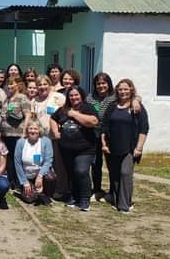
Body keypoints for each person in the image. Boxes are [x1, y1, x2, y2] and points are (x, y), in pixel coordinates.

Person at [101, 79, 149, 214]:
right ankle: (118, 201)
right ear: (117, 90)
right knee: (115, 175)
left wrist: (139, 147)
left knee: (125, 173)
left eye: (126, 89)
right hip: (112, 147)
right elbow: (104, 126)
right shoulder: (112, 106)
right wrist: (104, 144)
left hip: (130, 147)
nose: (123, 92)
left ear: (131, 90)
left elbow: (143, 129)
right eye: (120, 89)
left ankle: (124, 205)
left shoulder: (137, 106)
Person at [50, 86, 99, 211]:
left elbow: (93, 121)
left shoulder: (87, 108)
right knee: (71, 172)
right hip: (67, 148)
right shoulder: (63, 109)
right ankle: (73, 196)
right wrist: (56, 132)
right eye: (71, 95)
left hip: (85, 148)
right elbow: (53, 119)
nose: (74, 97)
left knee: (81, 171)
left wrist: (74, 114)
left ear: (81, 95)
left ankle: (85, 198)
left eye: (76, 95)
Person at [85, 72, 116, 200]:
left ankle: (113, 192)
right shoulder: (90, 98)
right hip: (93, 134)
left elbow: (133, 97)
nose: (101, 86)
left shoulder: (114, 97)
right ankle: (96, 189)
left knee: (112, 164)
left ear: (108, 84)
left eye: (104, 83)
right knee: (95, 164)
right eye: (98, 83)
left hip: (110, 135)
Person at [0, 76, 31, 190]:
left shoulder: (22, 98)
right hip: (6, 134)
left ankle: (19, 183)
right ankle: (10, 181)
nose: (9, 87)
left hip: (17, 134)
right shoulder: (7, 99)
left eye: (12, 84)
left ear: (18, 85)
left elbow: (27, 115)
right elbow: (3, 116)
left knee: (17, 159)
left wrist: (24, 131)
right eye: (8, 85)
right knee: (8, 159)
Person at [14, 120, 55, 206]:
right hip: (27, 175)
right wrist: (25, 182)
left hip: (40, 173)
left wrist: (40, 176)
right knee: (29, 199)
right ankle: (33, 191)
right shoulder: (21, 142)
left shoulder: (46, 141)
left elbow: (48, 160)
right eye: (30, 128)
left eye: (35, 129)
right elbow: (17, 163)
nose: (33, 131)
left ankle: (44, 193)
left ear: (39, 130)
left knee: (50, 176)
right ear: (27, 130)